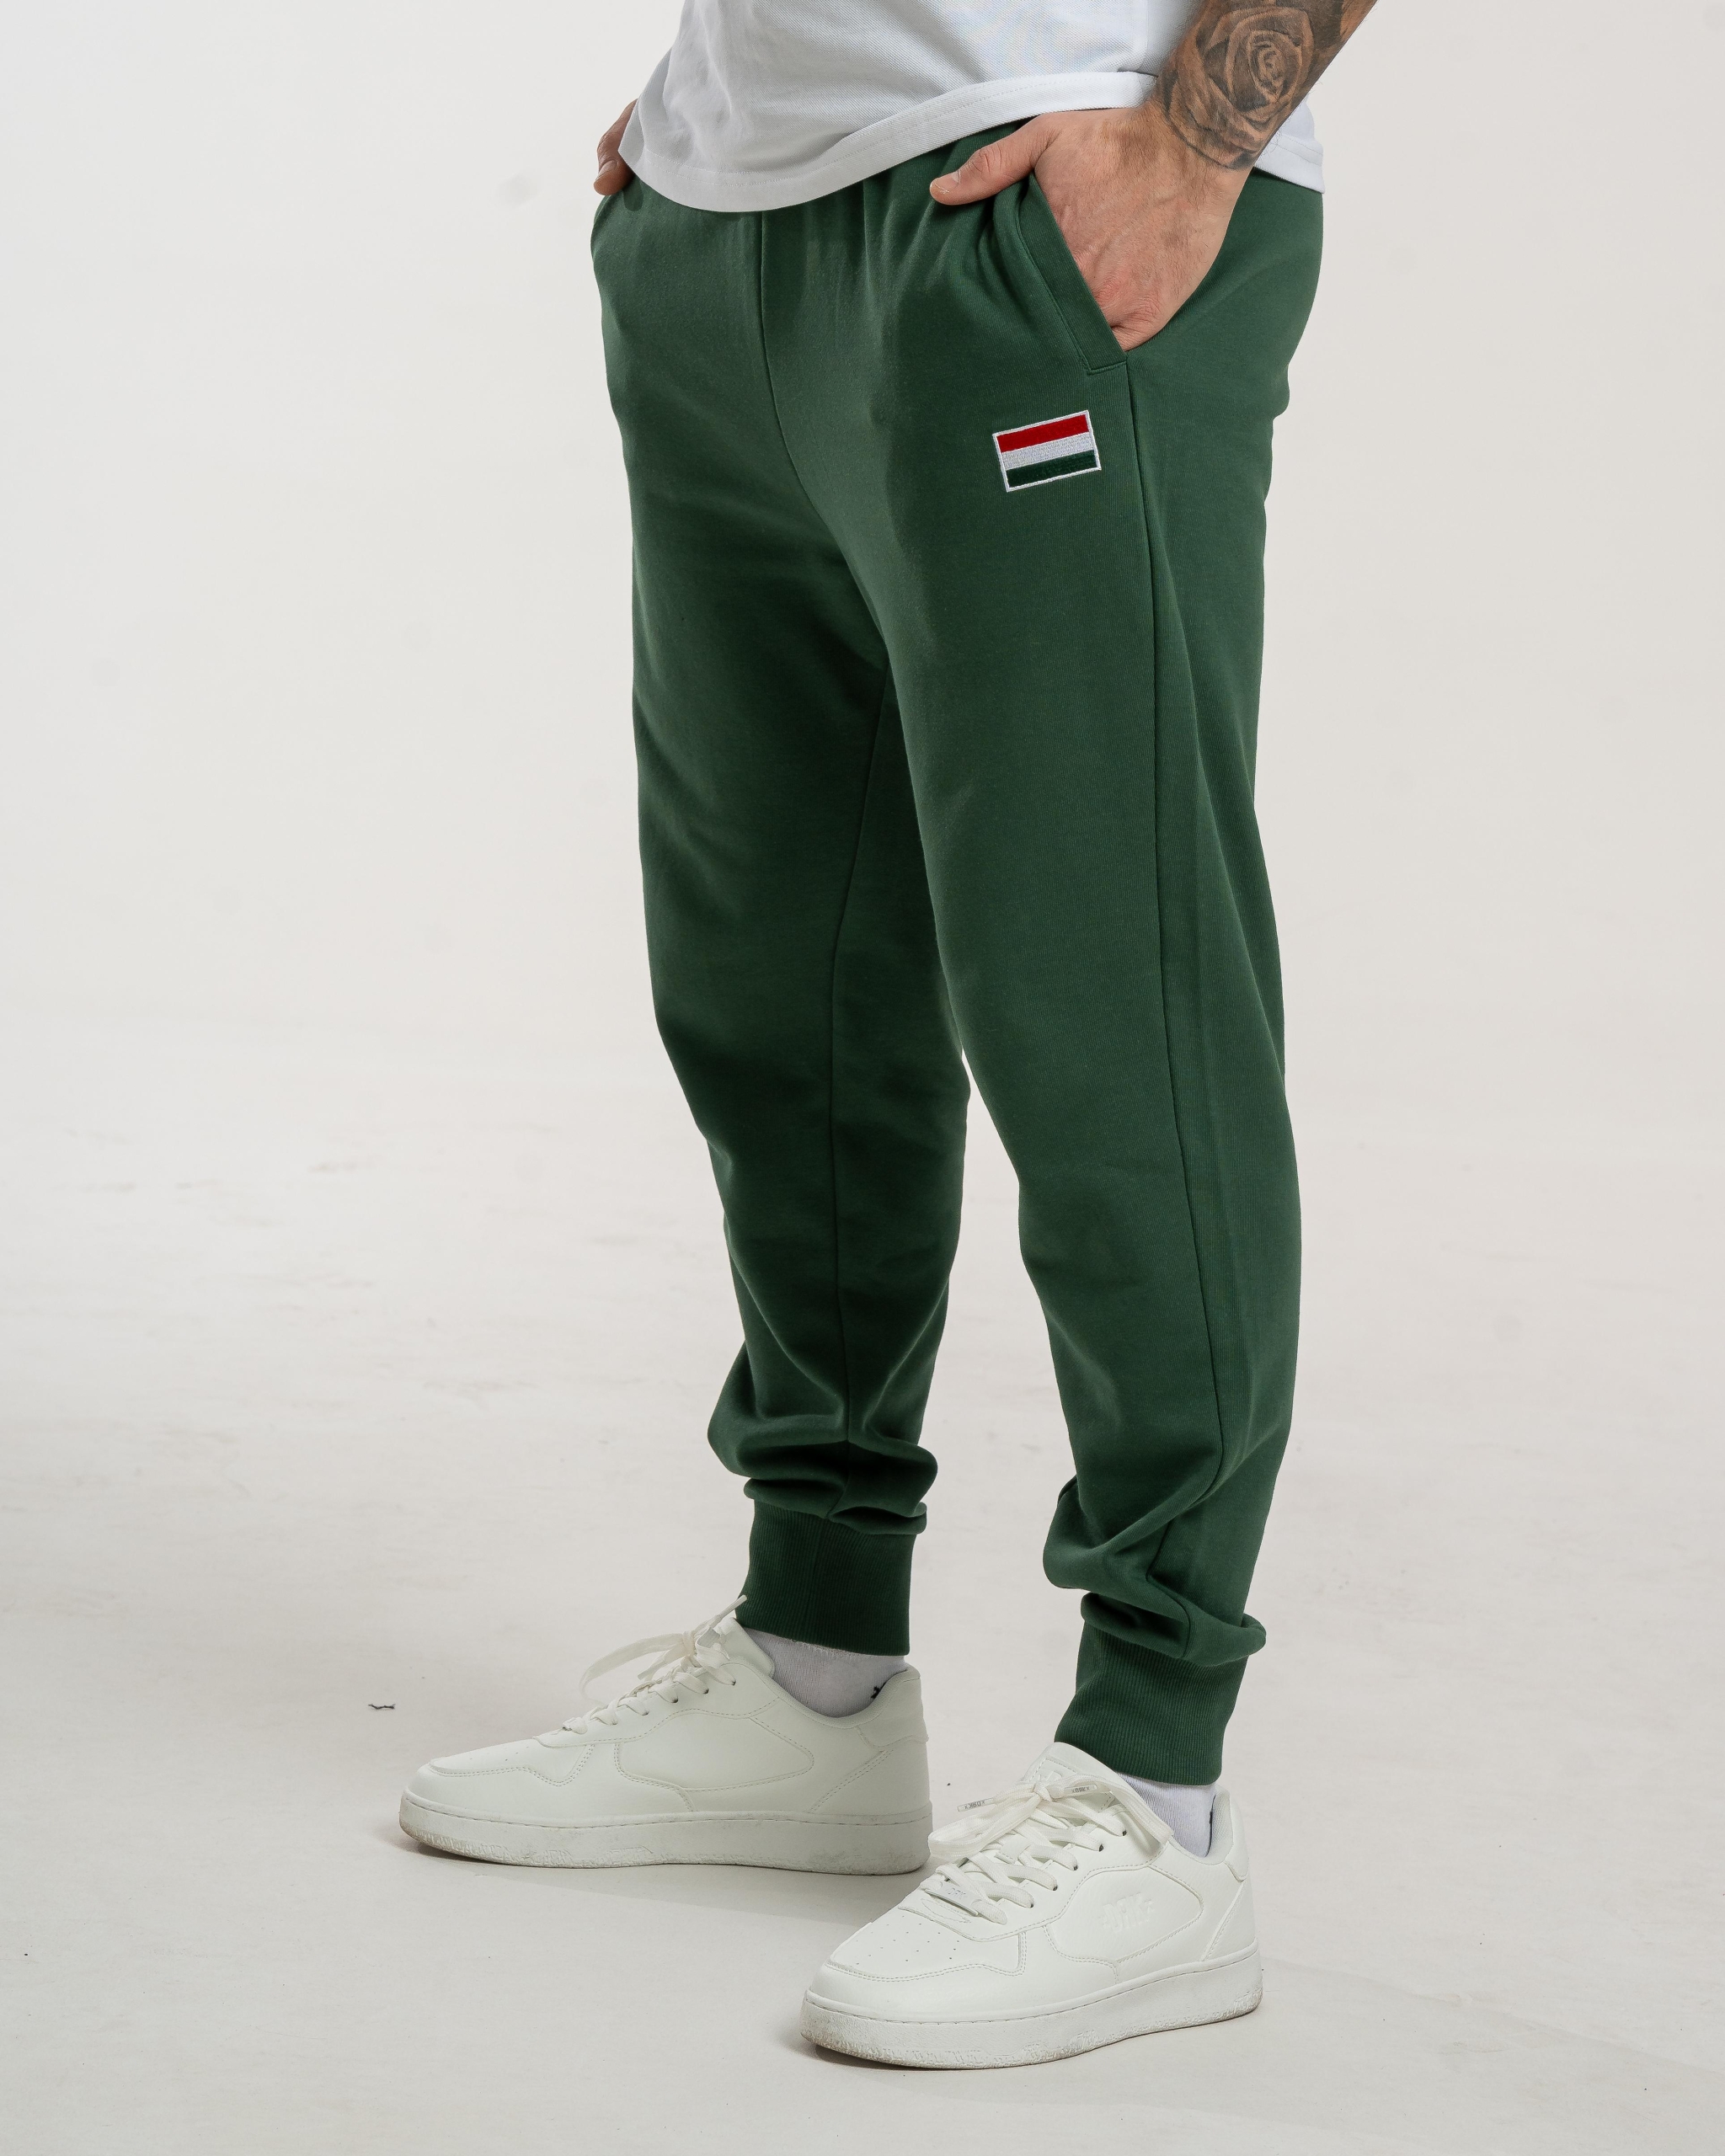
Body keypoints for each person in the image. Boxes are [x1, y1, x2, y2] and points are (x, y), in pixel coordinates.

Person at [402, 0, 1381, 2068]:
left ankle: (1158, 1779)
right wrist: (710, 135)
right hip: (728, 210)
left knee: (1105, 989)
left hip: (1045, 196)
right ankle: (816, 1662)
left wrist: (1196, 142)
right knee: (777, 976)